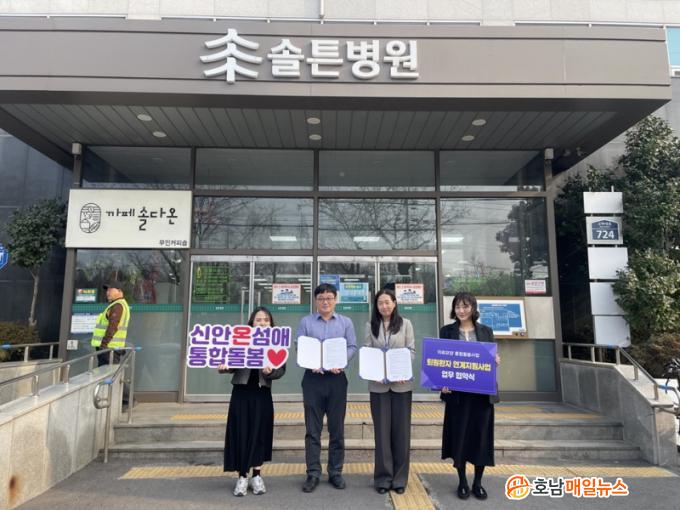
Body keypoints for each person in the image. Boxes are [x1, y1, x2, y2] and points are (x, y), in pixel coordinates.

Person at [296, 283, 357, 493]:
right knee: (312, 430)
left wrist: (341, 362)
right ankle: (313, 472)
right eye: (321, 298)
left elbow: (352, 346)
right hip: (312, 379)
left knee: (336, 429)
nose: (325, 302)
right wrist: (309, 362)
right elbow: (299, 346)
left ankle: (335, 472)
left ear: (335, 300)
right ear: (315, 301)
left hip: (336, 379)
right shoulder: (306, 322)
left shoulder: (346, 322)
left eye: (329, 298)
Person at [439, 292, 501, 501]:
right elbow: (441, 360)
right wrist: (441, 383)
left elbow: (491, 359)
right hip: (458, 396)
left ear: (473, 308)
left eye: (465, 306)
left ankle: (478, 482)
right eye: (457, 306)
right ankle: (463, 482)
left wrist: (495, 361)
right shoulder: (447, 331)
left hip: (482, 396)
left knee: (481, 438)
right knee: (460, 437)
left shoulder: (486, 331)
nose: (461, 310)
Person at [218, 306, 285, 497]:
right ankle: (242, 476)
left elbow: (281, 369)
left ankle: (257, 476)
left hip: (262, 394)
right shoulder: (240, 340)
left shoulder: (276, 343)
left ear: (271, 324)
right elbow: (230, 363)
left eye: (266, 320)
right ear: (252, 323)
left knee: (259, 433)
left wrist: (270, 372)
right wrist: (224, 367)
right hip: (241, 393)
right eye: (258, 320)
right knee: (241, 432)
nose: (262, 323)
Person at [364, 288, 415, 494]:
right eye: (380, 303)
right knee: (382, 433)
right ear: (376, 306)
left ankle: (400, 479)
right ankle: (383, 478)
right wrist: (373, 371)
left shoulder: (406, 324)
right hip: (378, 386)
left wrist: (403, 370)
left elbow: (411, 351)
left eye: (387, 302)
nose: (384, 306)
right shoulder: (370, 325)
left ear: (394, 303)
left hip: (401, 384)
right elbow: (367, 351)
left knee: (401, 432)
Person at [91, 280, 130, 366]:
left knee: (107, 372)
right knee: (107, 372)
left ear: (119, 291)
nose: (107, 293)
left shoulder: (117, 306)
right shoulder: (119, 304)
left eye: (110, 290)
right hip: (110, 348)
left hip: (108, 348)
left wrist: (103, 344)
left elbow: (113, 326)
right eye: (107, 290)